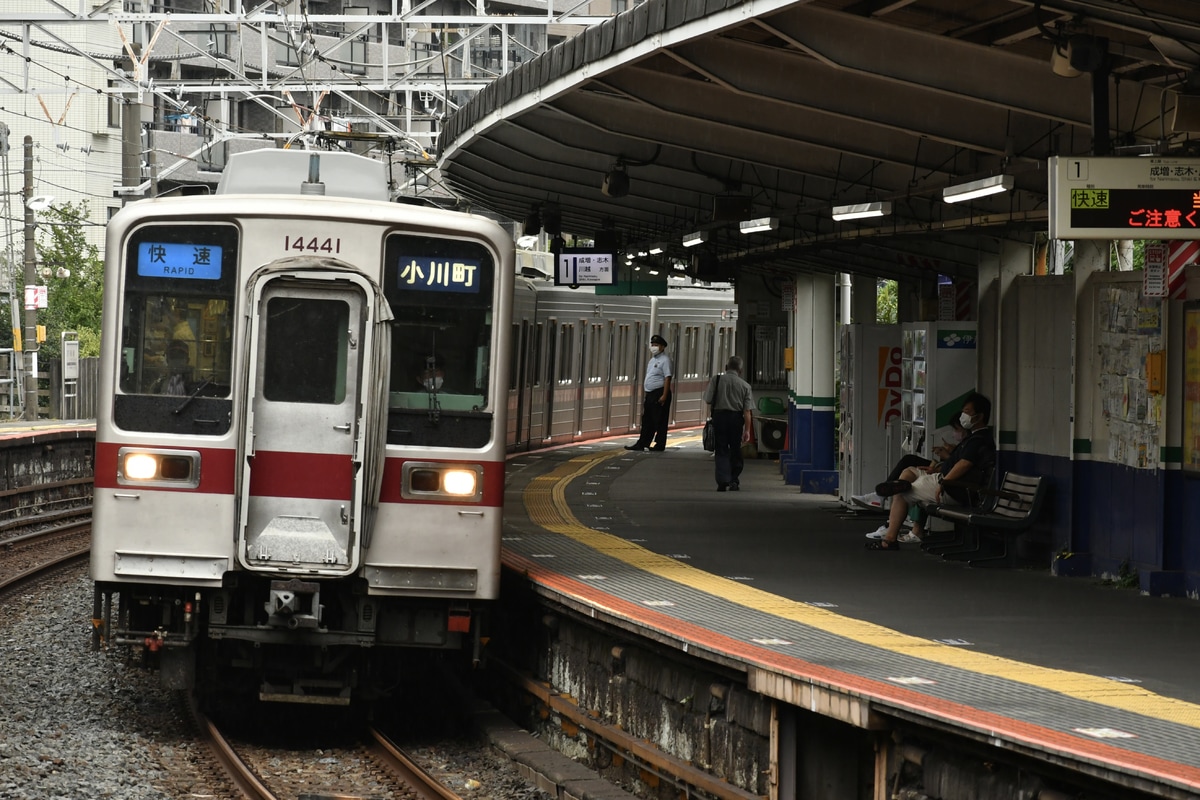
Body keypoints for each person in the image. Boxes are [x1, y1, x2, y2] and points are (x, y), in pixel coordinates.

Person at [864, 392, 996, 551]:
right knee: (909, 471)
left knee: (902, 492)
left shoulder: (978, 439)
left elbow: (964, 465)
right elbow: (957, 462)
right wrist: (937, 469)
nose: (963, 416)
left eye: (967, 412)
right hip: (946, 479)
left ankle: (890, 538)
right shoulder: (974, 437)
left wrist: (943, 482)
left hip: (953, 488)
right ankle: (895, 489)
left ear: (979, 416)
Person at [851, 415, 965, 510]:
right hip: (944, 471)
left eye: (956, 429)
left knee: (904, 489)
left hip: (948, 480)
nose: (953, 434)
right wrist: (947, 453)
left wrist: (945, 457)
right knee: (909, 463)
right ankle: (882, 497)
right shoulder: (964, 444)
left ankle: (882, 501)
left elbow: (958, 467)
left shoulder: (972, 444)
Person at [702, 356, 753, 491]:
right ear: (740, 370)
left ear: (726, 368)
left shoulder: (716, 380)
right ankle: (734, 480)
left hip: (719, 418)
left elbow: (707, 399)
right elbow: (747, 411)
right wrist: (747, 430)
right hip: (736, 419)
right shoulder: (745, 386)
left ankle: (722, 480)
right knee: (735, 449)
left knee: (721, 449)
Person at [625, 333, 673, 452]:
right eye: (652, 344)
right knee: (647, 420)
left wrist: (664, 395)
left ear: (662, 347)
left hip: (660, 393)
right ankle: (643, 443)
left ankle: (659, 444)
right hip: (651, 394)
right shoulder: (652, 360)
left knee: (660, 420)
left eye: (656, 345)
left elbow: (668, 378)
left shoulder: (665, 360)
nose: (653, 347)